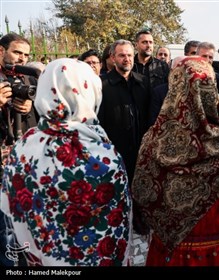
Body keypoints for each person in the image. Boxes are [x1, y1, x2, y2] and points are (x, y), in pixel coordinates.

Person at [0, 58, 132, 266]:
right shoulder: (103, 154)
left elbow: (13, 216)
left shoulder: (23, 147)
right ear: (89, 93)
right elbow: (116, 227)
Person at [131, 56, 219, 266]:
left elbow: (142, 191)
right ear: (210, 90)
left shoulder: (152, 139)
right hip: (215, 241)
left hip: (168, 243)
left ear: (175, 87)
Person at [0, 33, 37, 266]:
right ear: (1, 51)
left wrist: (28, 107)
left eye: (26, 55)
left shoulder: (24, 78)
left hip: (20, 160)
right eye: (17, 52)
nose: (22, 59)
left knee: (22, 225)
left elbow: (36, 122)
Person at [98, 39, 151, 185]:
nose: (126, 59)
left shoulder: (143, 82)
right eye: (122, 55)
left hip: (141, 151)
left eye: (129, 55)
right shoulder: (101, 84)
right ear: (113, 57)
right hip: (114, 152)